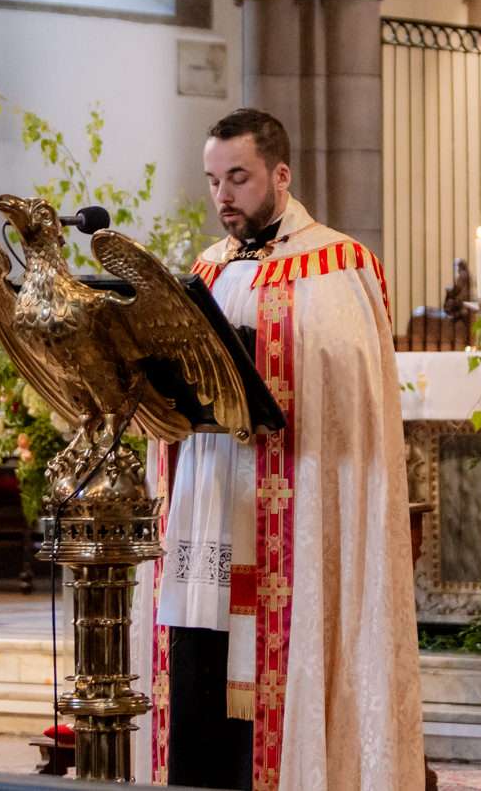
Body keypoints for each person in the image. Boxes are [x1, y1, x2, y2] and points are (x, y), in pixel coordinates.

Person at [145, 108, 424, 789]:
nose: (223, 196)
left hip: (292, 513)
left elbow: (346, 395)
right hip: (210, 505)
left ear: (280, 173)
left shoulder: (337, 264)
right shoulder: (204, 270)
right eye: (213, 180)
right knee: (200, 671)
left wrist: (270, 362)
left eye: (237, 177)